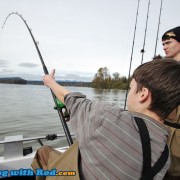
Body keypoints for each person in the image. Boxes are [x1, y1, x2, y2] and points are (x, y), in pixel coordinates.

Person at [32, 59, 180, 180]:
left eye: (130, 88)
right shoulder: (165, 154)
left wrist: (50, 82)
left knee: (43, 153)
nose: (129, 93)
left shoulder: (108, 117)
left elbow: (71, 99)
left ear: (143, 94)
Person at [161, 26, 180, 179]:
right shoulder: (163, 69)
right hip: (162, 130)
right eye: (163, 44)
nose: (165, 47)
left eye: (168, 42)